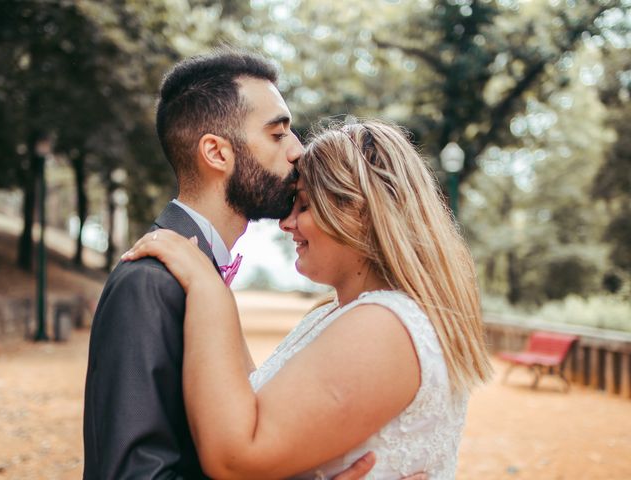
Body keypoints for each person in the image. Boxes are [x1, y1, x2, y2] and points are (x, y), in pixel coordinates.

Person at [123, 119, 494, 478]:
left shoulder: (382, 327)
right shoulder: (339, 314)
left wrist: (208, 289)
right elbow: (264, 406)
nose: (286, 223)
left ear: (359, 211)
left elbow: (235, 459)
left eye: (303, 205)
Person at [82, 50, 387, 480]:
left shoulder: (195, 276)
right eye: (278, 134)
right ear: (216, 153)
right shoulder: (149, 283)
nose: (298, 151)